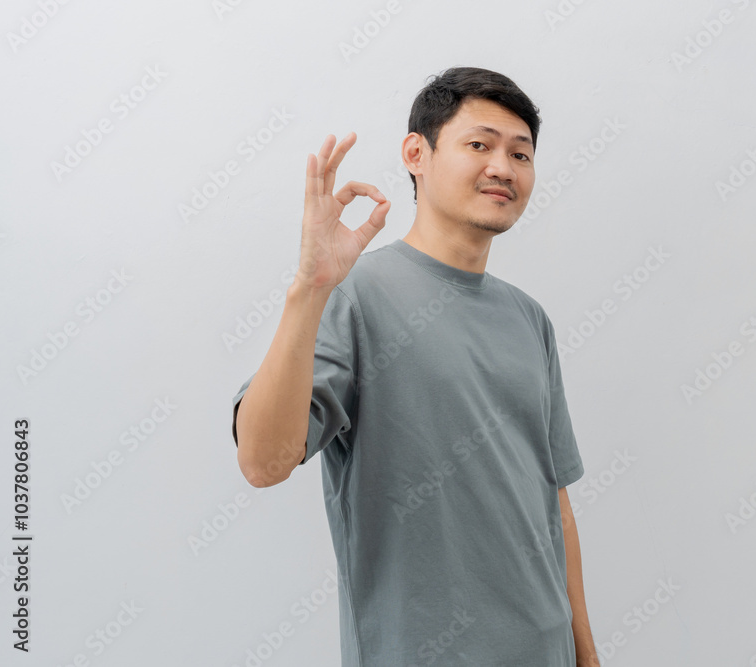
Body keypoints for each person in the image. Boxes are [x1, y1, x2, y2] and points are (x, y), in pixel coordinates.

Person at [230, 66, 598, 666]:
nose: (503, 168)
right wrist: (309, 290)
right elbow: (261, 462)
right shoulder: (353, 296)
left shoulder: (529, 319)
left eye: (521, 154)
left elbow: (553, 502)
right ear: (416, 154)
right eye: (479, 144)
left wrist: (585, 652)